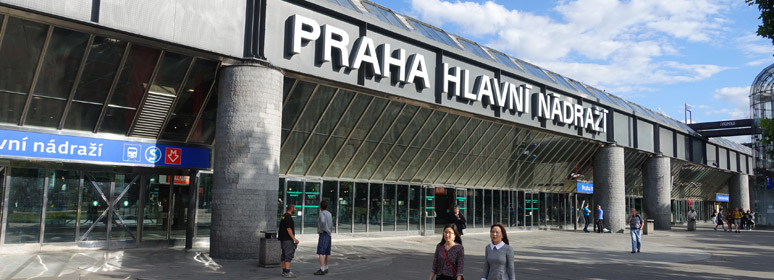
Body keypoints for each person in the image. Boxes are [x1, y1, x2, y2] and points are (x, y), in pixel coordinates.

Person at [279, 204, 300, 278]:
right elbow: (288, 229)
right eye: (294, 208)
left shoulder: (284, 216)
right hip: (287, 239)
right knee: (288, 255)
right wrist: (294, 239)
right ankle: (287, 272)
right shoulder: (288, 217)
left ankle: (284, 271)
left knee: (284, 254)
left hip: (282, 239)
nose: (295, 209)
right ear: (292, 208)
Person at [314, 200, 333, 276]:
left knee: (321, 252)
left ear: (320, 206)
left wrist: (320, 230)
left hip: (324, 233)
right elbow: (331, 224)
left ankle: (322, 269)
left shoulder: (322, 213)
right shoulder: (329, 214)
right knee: (327, 252)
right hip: (329, 234)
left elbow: (322, 221)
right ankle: (326, 267)